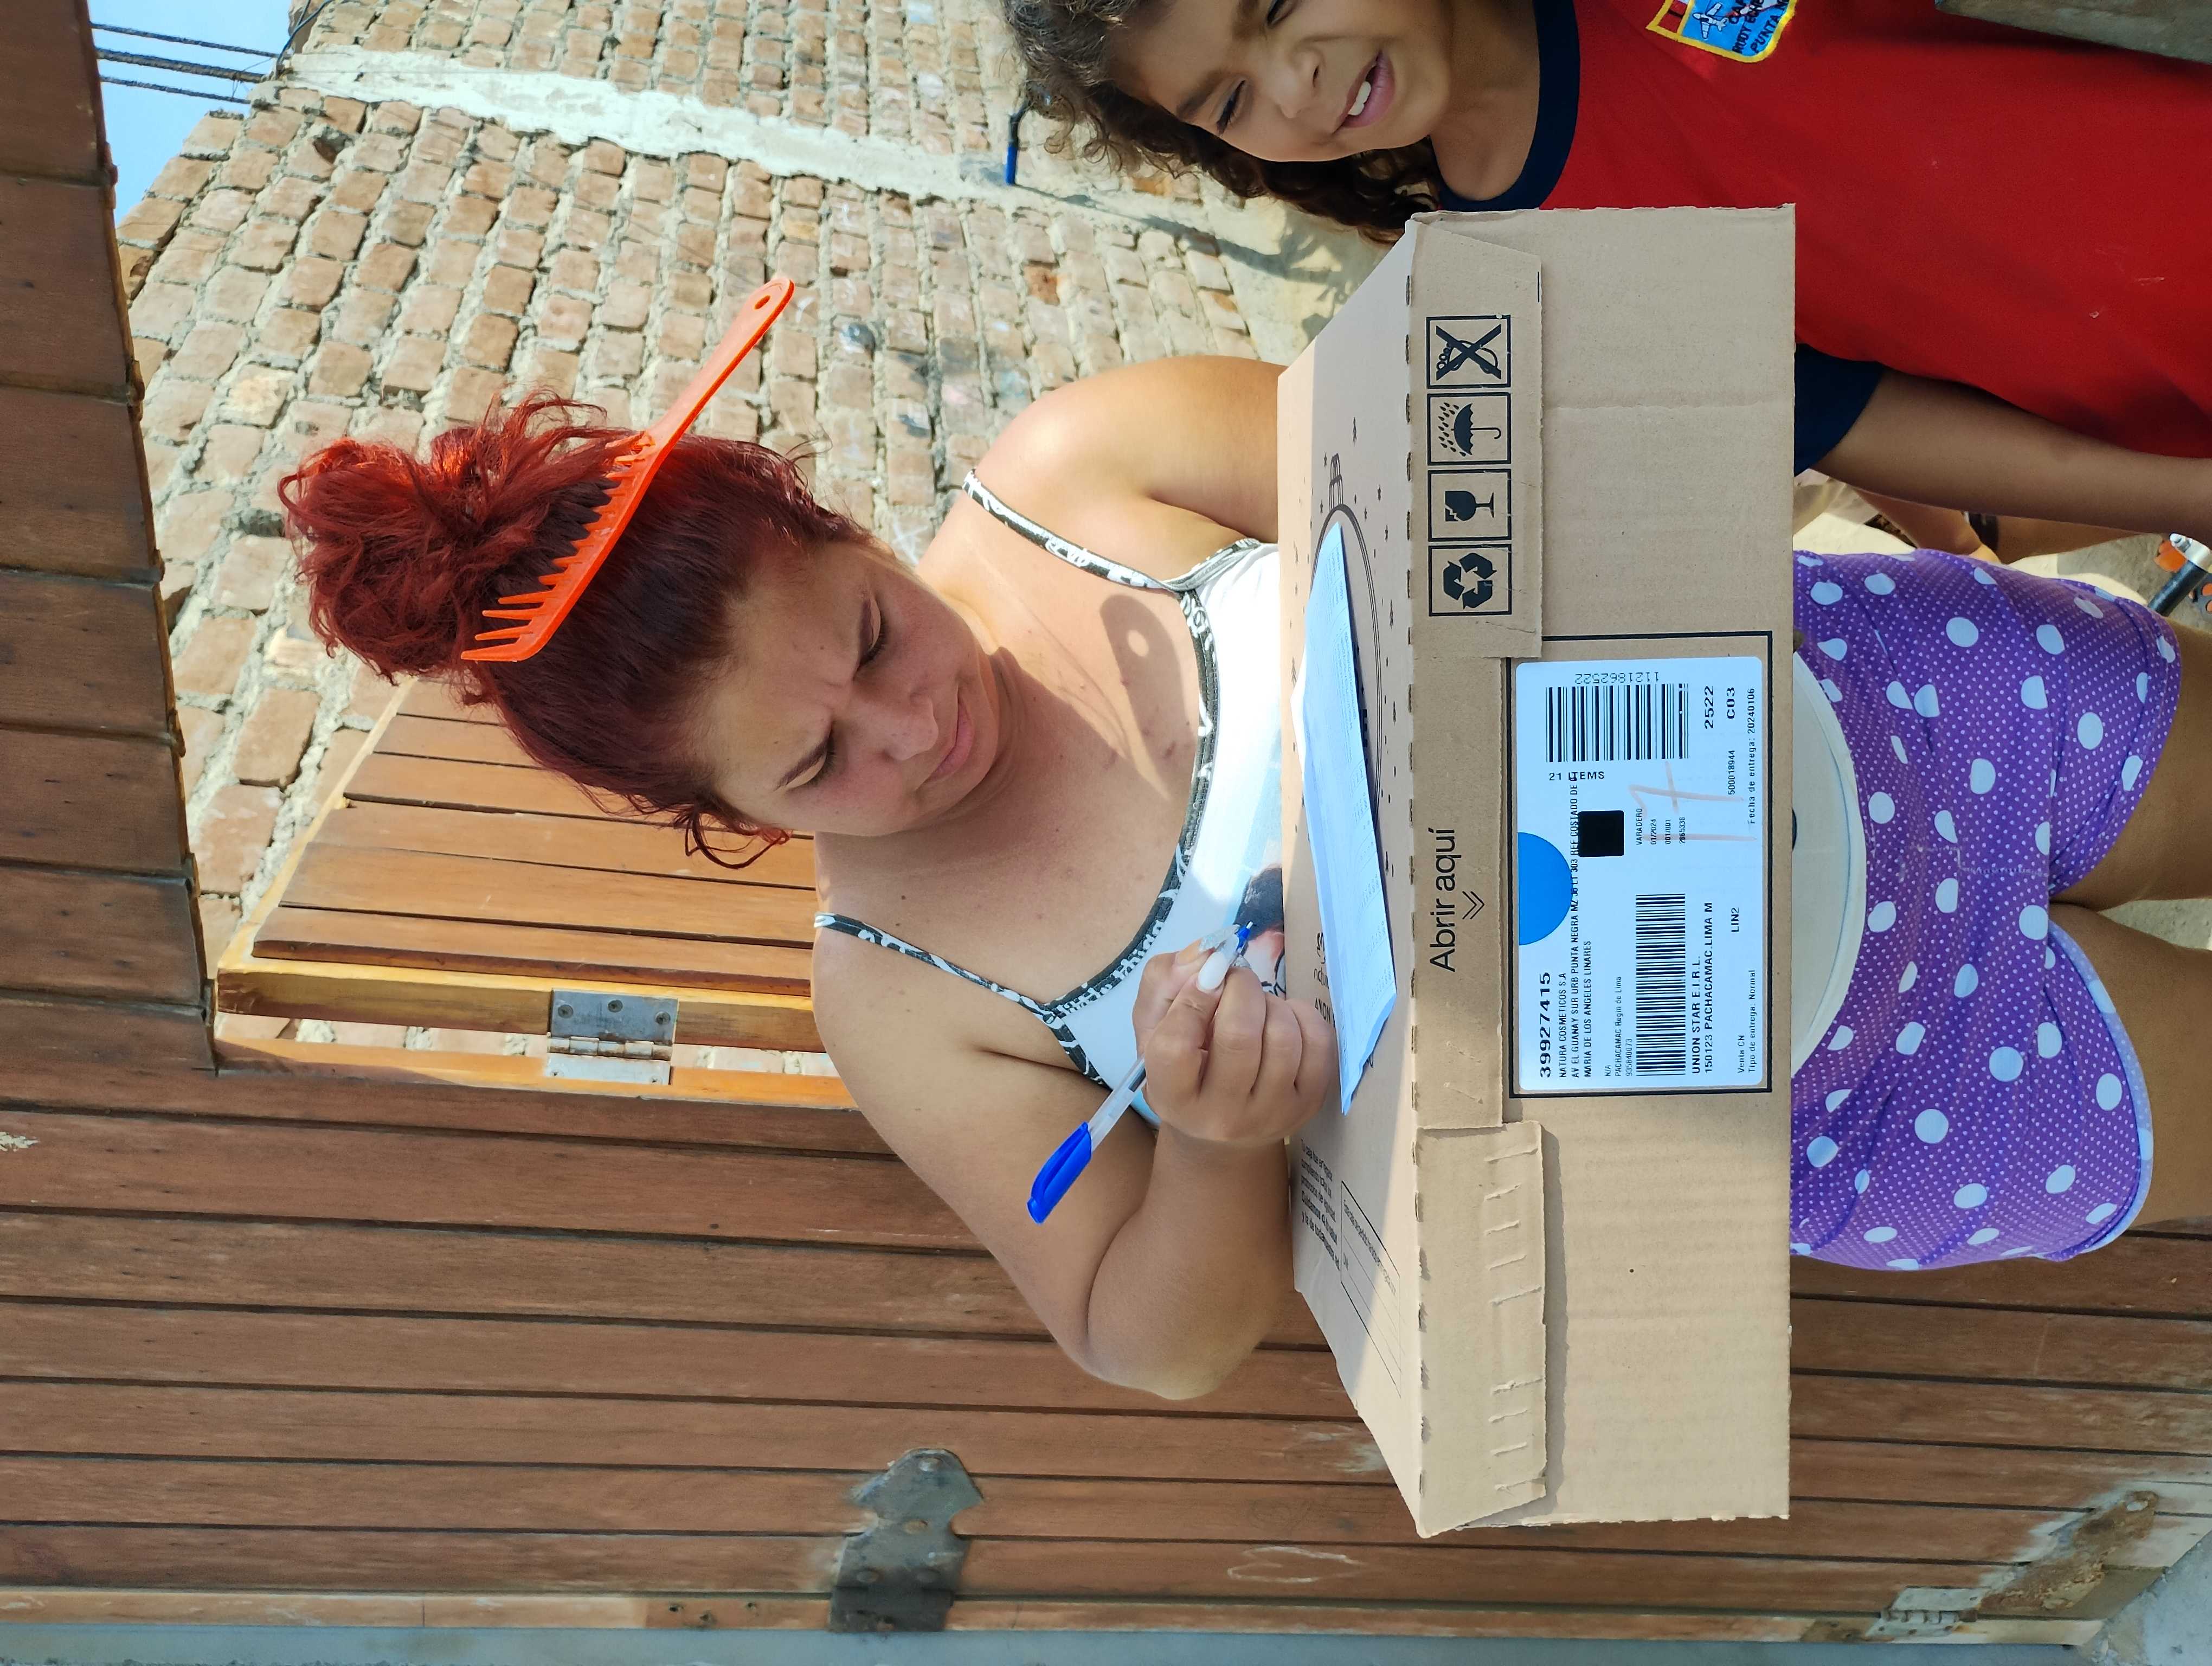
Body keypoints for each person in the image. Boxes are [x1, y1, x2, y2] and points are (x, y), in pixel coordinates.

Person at [284, 355, 2212, 1401]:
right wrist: (1215, 1147)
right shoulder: (897, 993)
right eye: (816, 768)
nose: (913, 729)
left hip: (1897, 719)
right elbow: (1146, 1336)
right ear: (722, 816)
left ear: (845, 524)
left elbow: (1515, 451)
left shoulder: (1089, 464)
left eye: (872, 634)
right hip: (1851, 1094)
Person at [1003, 0, 2212, 528]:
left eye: (1275, 3)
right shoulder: (1536, 276)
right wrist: (2189, 498)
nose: (1294, 82)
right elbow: (1864, 423)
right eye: (1228, 101)